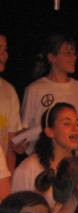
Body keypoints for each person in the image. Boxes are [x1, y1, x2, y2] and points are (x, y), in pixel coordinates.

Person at [21, 34, 78, 154]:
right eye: (68, 53)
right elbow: (25, 128)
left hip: (75, 157)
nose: (73, 58)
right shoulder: (35, 89)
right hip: (44, 157)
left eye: (74, 54)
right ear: (52, 57)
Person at [11, 103, 78, 206]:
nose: (75, 129)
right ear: (49, 131)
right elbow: (17, 209)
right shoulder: (29, 168)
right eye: (67, 124)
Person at [0, 33, 25, 172]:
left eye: (5, 49)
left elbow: (10, 146)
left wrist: (9, 179)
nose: (3, 54)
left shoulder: (8, 91)